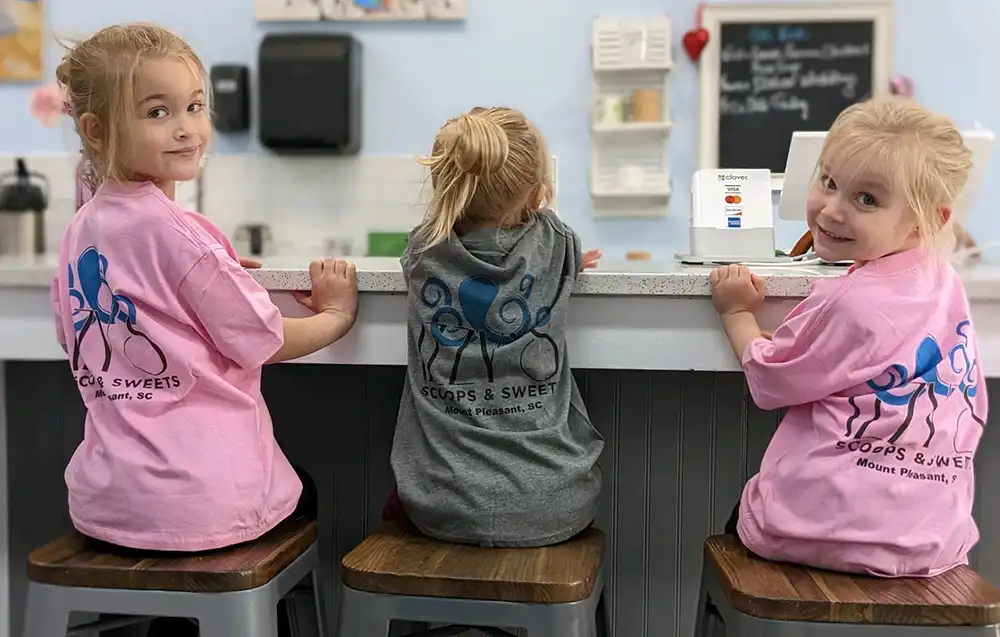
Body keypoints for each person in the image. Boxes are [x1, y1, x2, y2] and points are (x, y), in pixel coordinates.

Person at [50, 23, 358, 559]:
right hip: (206, 498)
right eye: (156, 112)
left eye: (194, 106)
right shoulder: (176, 231)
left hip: (109, 499)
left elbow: (72, 327)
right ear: (96, 131)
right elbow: (261, 338)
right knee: (312, 491)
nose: (187, 128)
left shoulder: (82, 229)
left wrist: (209, 266)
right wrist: (334, 315)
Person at [709, 98, 986, 577]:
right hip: (930, 543)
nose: (831, 211)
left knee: (744, 516)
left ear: (930, 221)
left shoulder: (850, 300)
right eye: (829, 182)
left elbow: (770, 379)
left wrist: (736, 312)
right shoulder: (945, 283)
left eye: (867, 200)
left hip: (815, 531)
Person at [387, 106, 604, 547]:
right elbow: (547, 248)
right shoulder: (557, 243)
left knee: (392, 511)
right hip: (556, 497)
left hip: (439, 502)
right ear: (537, 196)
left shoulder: (424, 248)